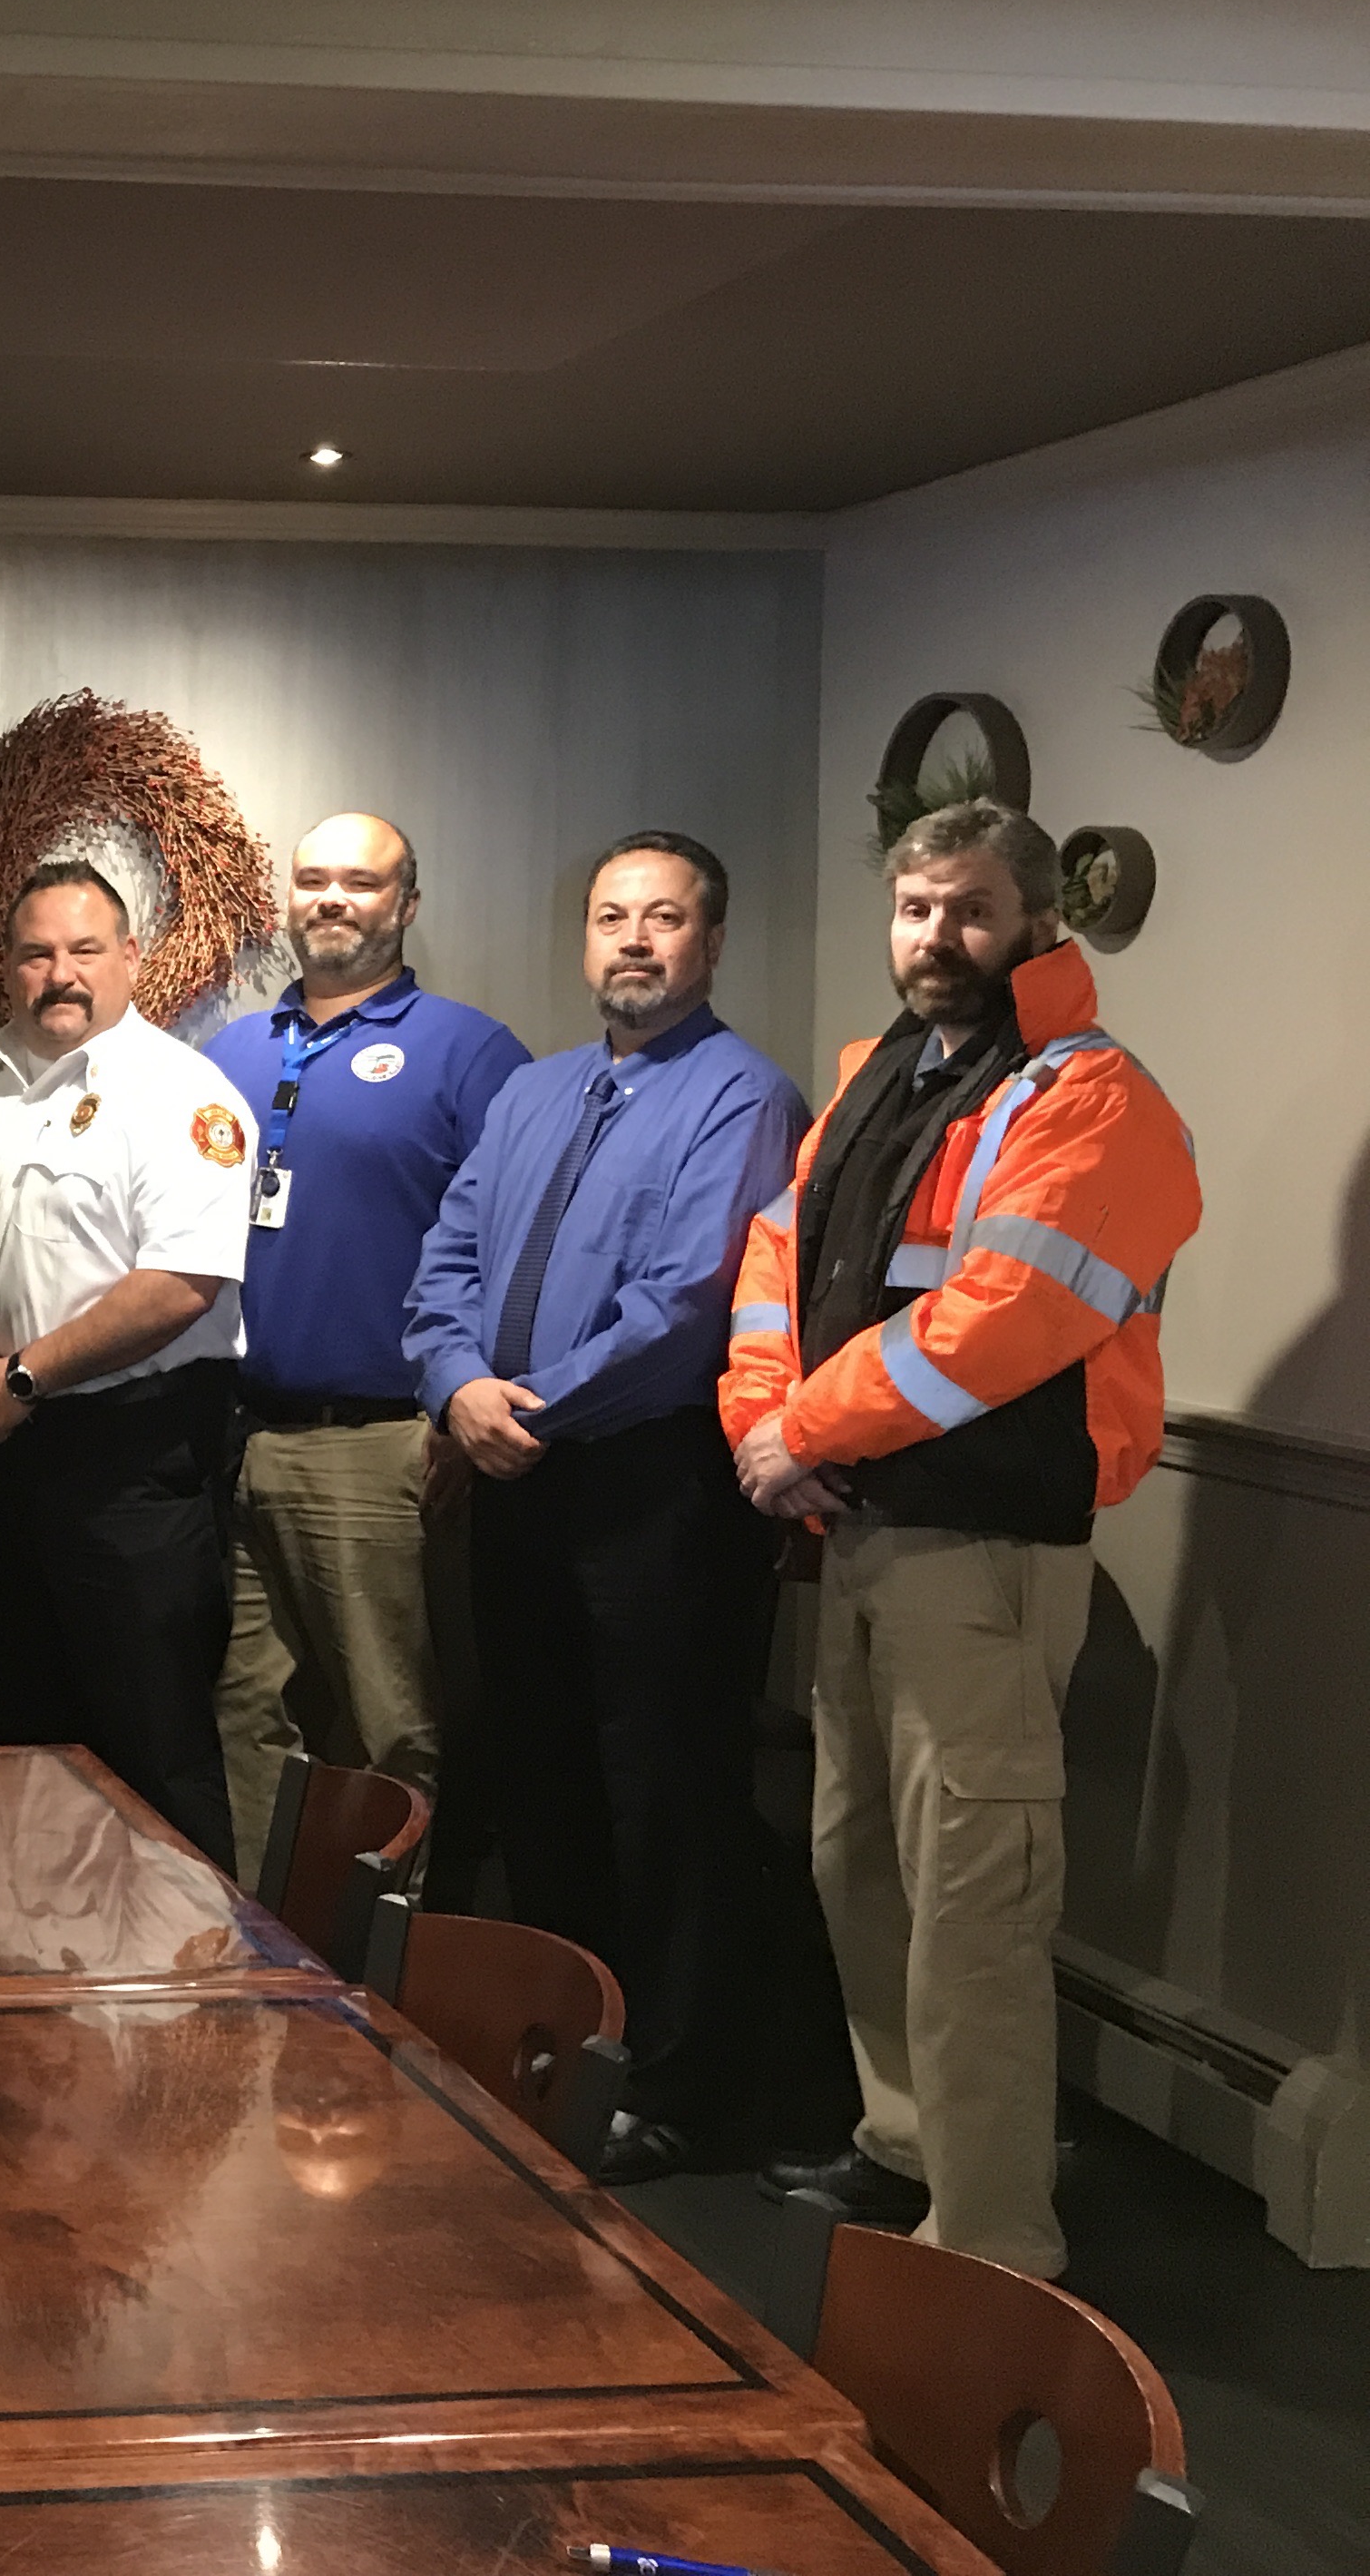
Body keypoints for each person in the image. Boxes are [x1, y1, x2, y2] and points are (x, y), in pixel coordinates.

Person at [721, 801, 1197, 2276]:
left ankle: (989, 2243)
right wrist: (763, 1424)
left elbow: (997, 1321)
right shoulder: (880, 1076)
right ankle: (902, 2144)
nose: (936, 936)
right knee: (857, 1860)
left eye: (971, 909)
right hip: (858, 1531)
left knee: (974, 1901)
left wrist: (807, 1429)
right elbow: (774, 1271)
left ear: (1038, 921)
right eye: (915, 906)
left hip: (981, 1553)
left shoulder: (1089, 1094)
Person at [406, 831, 809, 2184]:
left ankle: (680, 2090)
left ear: (711, 941)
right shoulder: (534, 1092)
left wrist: (526, 1411)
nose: (634, 940)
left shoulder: (742, 1097)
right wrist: (459, 1385)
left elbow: (689, 1308)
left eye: (665, 918)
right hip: (516, 1475)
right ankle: (566, 2046)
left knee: (666, 1795)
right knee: (542, 1777)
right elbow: (448, 1255)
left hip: (653, 1492)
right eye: (610, 917)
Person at [0, 860, 257, 1866]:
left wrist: (23, 1378)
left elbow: (182, 1284)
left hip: (131, 1462)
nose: (59, 974)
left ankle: (190, 2005)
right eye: (36, 953)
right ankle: (33, 1993)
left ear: (132, 960)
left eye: (83, 950)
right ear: (6, 967)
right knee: (15, 1741)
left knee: (152, 1750)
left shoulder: (182, 1094)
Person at [201, 813, 525, 1856]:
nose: (332, 899)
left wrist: (466, 1405)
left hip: (386, 1444)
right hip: (239, 1441)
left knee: (398, 1732)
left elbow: (518, 1248)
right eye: (312, 880)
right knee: (247, 1717)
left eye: (361, 882)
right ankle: (268, 1962)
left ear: (407, 905)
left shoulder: (468, 1052)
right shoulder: (232, 1052)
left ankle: (398, 1974)